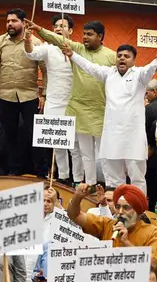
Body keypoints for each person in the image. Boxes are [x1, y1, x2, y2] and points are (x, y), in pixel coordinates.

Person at [25, 18, 116, 186]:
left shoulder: (101, 54)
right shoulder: (63, 48)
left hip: (89, 106)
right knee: (68, 147)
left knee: (89, 149)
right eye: (85, 34)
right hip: (65, 104)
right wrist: (34, 33)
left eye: (90, 34)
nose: (86, 37)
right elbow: (42, 47)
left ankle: (93, 182)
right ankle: (73, 180)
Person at [63, 42, 157, 191]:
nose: (122, 59)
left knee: (137, 177)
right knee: (114, 178)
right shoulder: (109, 73)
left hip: (133, 136)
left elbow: (149, 70)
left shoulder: (139, 75)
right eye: (119, 56)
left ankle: (139, 211)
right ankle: (117, 209)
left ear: (134, 60)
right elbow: (90, 67)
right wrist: (72, 55)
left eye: (126, 56)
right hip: (112, 135)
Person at [0, 9, 48, 177]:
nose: (10, 24)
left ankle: (41, 173)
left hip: (30, 96)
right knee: (9, 136)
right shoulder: (0, 41)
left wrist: (44, 95)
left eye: (14, 21)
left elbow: (45, 69)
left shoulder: (35, 42)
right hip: (5, 96)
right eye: (8, 21)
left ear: (23, 23)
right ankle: (14, 172)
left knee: (35, 135)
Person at [67, 183, 157, 282]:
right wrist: (77, 196)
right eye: (117, 206)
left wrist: (126, 243)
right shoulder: (107, 225)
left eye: (126, 208)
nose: (120, 212)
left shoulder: (153, 232)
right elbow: (75, 215)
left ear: (138, 212)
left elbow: (152, 264)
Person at [24, 14, 75, 183]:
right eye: (56, 26)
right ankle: (63, 177)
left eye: (63, 25)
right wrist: (28, 38)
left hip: (73, 102)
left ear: (71, 31)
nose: (58, 28)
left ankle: (78, 178)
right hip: (53, 102)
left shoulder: (78, 48)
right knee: (57, 144)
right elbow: (31, 54)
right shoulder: (48, 48)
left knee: (74, 146)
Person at [145, 79, 157, 211]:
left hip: (151, 153)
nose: (146, 96)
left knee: (152, 187)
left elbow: (144, 134)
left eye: (147, 93)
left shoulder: (149, 109)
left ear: (154, 92)